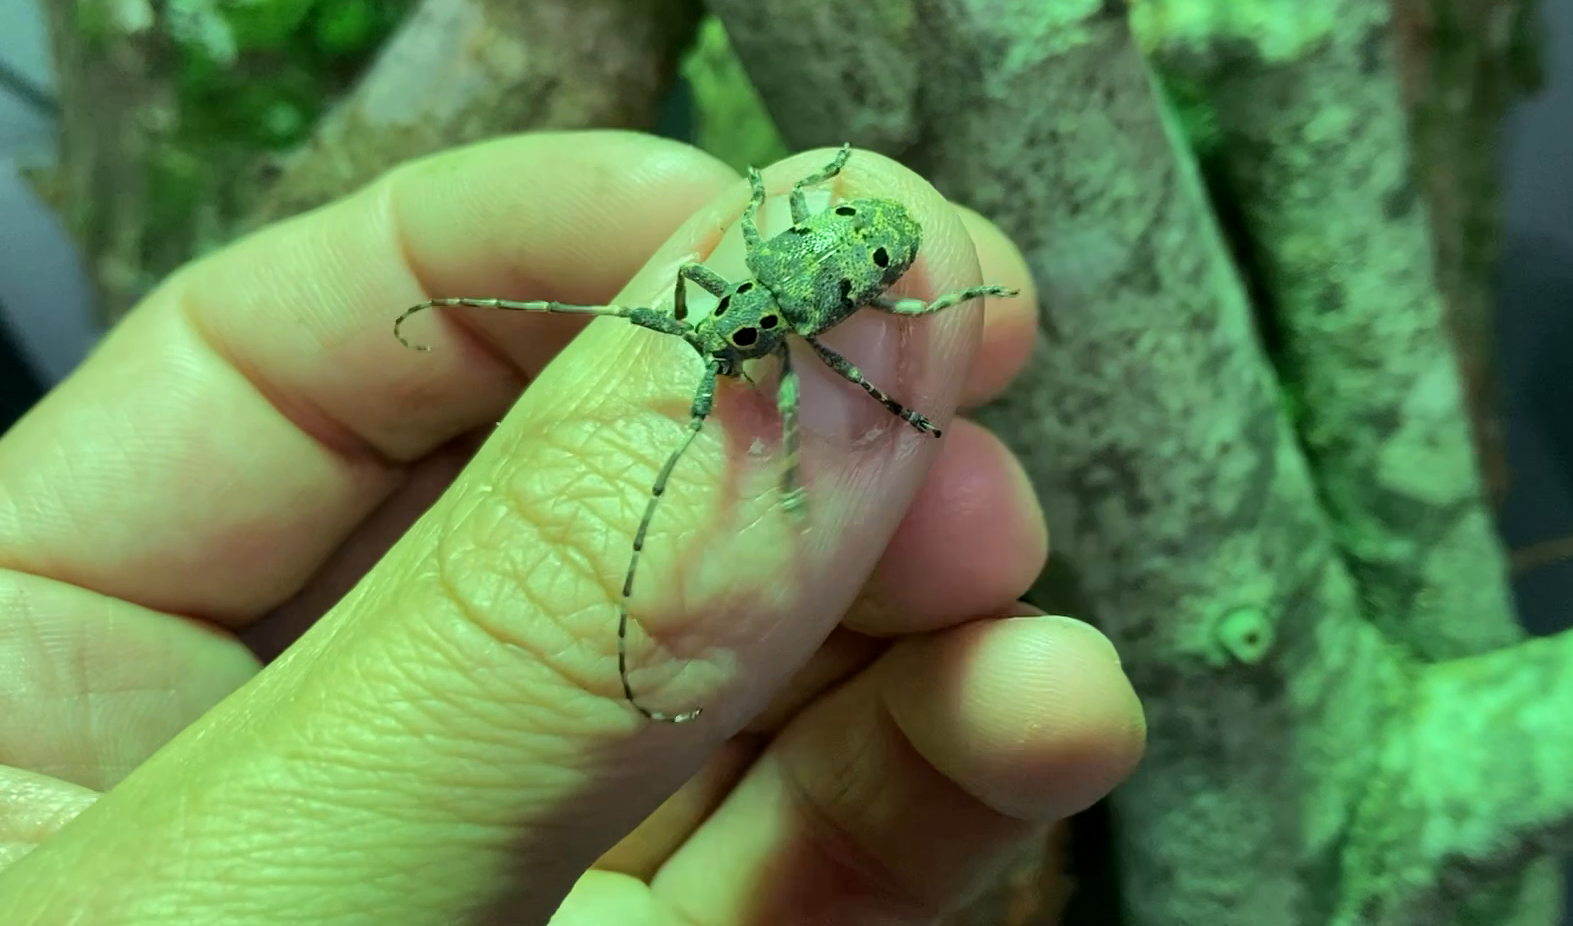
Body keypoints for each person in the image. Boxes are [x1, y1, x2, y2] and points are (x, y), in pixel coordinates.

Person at [0, 133, 1146, 923]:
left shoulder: (792, 320)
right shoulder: (735, 302)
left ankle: (882, 398)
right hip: (841, 230)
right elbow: (730, 276)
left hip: (866, 237)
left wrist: (803, 459)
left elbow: (816, 280)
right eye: (730, 336)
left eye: (740, 343)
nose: (731, 351)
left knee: (899, 342)